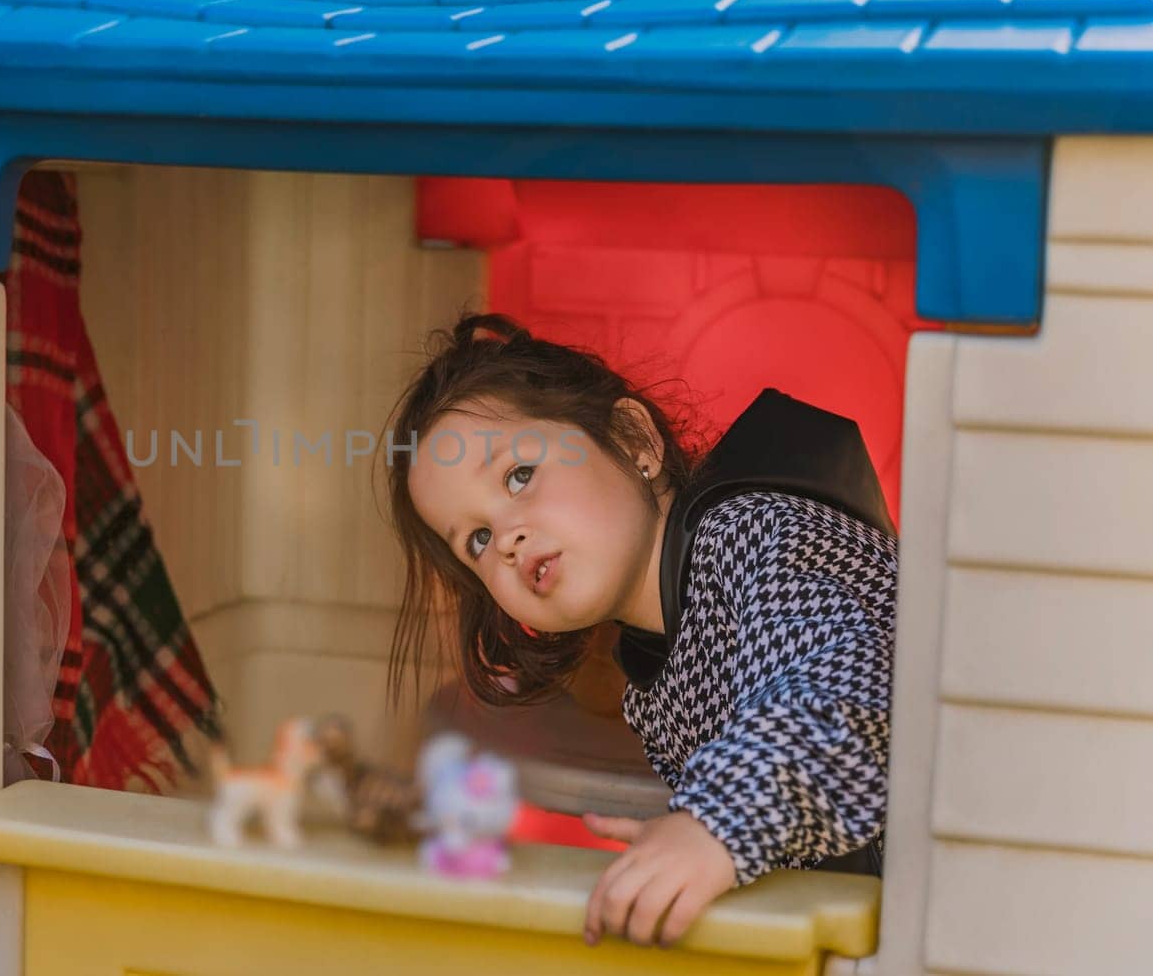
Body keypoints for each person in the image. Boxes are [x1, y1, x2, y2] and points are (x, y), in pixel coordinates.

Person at [382, 311, 897, 950]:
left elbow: (845, 692)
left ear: (633, 441)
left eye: (519, 476)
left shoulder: (754, 534)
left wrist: (713, 826)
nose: (507, 539)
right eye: (477, 539)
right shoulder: (651, 666)